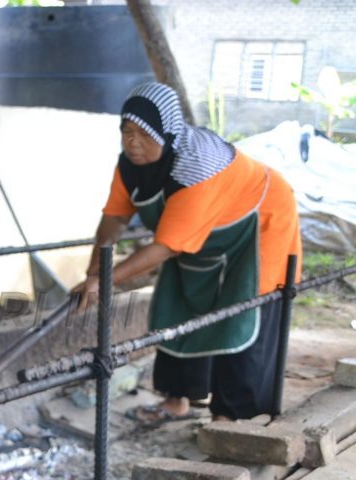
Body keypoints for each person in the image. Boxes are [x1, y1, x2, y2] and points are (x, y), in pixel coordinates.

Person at [74, 82, 301, 423]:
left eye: (144, 134)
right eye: (127, 132)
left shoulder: (195, 168)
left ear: (166, 132)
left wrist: (105, 280)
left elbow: (165, 247)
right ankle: (177, 400)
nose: (133, 142)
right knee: (176, 307)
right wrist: (93, 273)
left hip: (257, 224)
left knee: (243, 313)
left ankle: (233, 418)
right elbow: (114, 220)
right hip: (201, 235)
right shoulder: (129, 165)